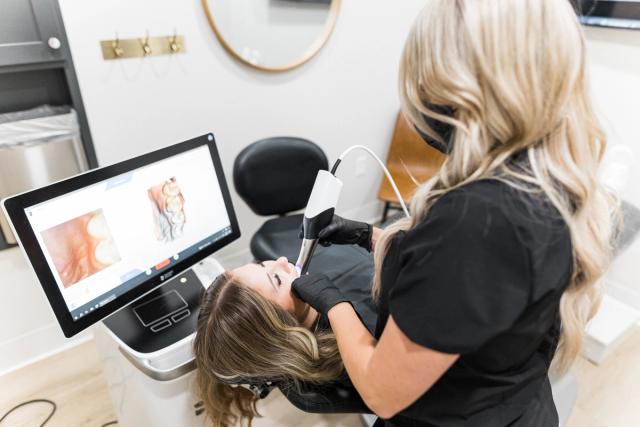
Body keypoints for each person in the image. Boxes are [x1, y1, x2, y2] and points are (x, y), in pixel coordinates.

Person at [291, 1, 620, 426]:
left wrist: (332, 302)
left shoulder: (479, 219)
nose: (424, 91)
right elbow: (477, 290)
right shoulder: (543, 179)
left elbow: (380, 391)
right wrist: (374, 237)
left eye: (433, 74)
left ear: (467, 80)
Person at [193, 255, 377, 427]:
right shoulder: (336, 373)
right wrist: (337, 307)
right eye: (277, 279)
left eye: (261, 264)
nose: (281, 260)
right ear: (281, 331)